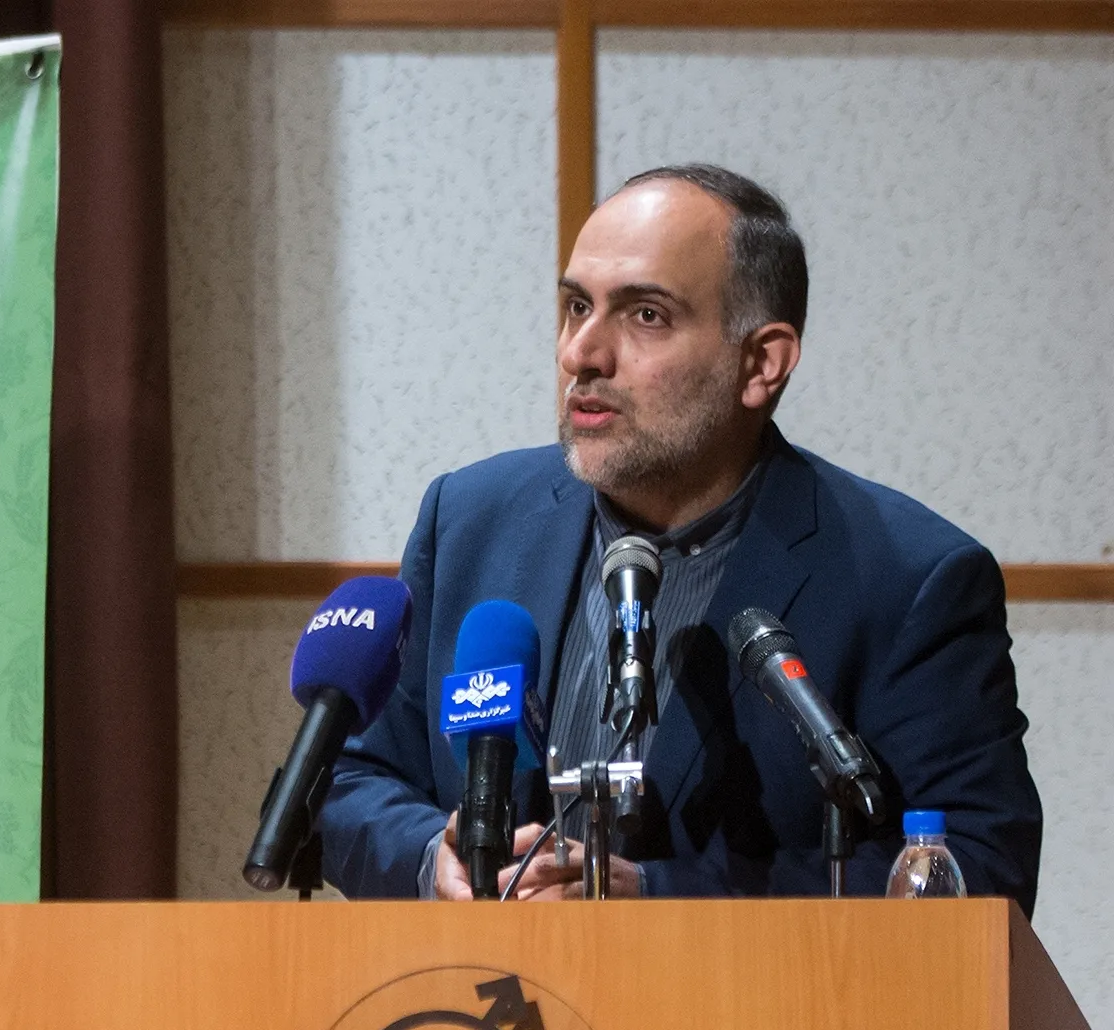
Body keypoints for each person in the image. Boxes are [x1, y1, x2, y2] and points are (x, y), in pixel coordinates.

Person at [319, 164, 1041, 913]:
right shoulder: (471, 520)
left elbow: (982, 862)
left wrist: (663, 900)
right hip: (485, 986)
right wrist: (428, 858)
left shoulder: (908, 578)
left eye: (646, 316)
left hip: (748, 993)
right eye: (576, 306)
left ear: (761, 363)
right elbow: (350, 780)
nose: (582, 354)